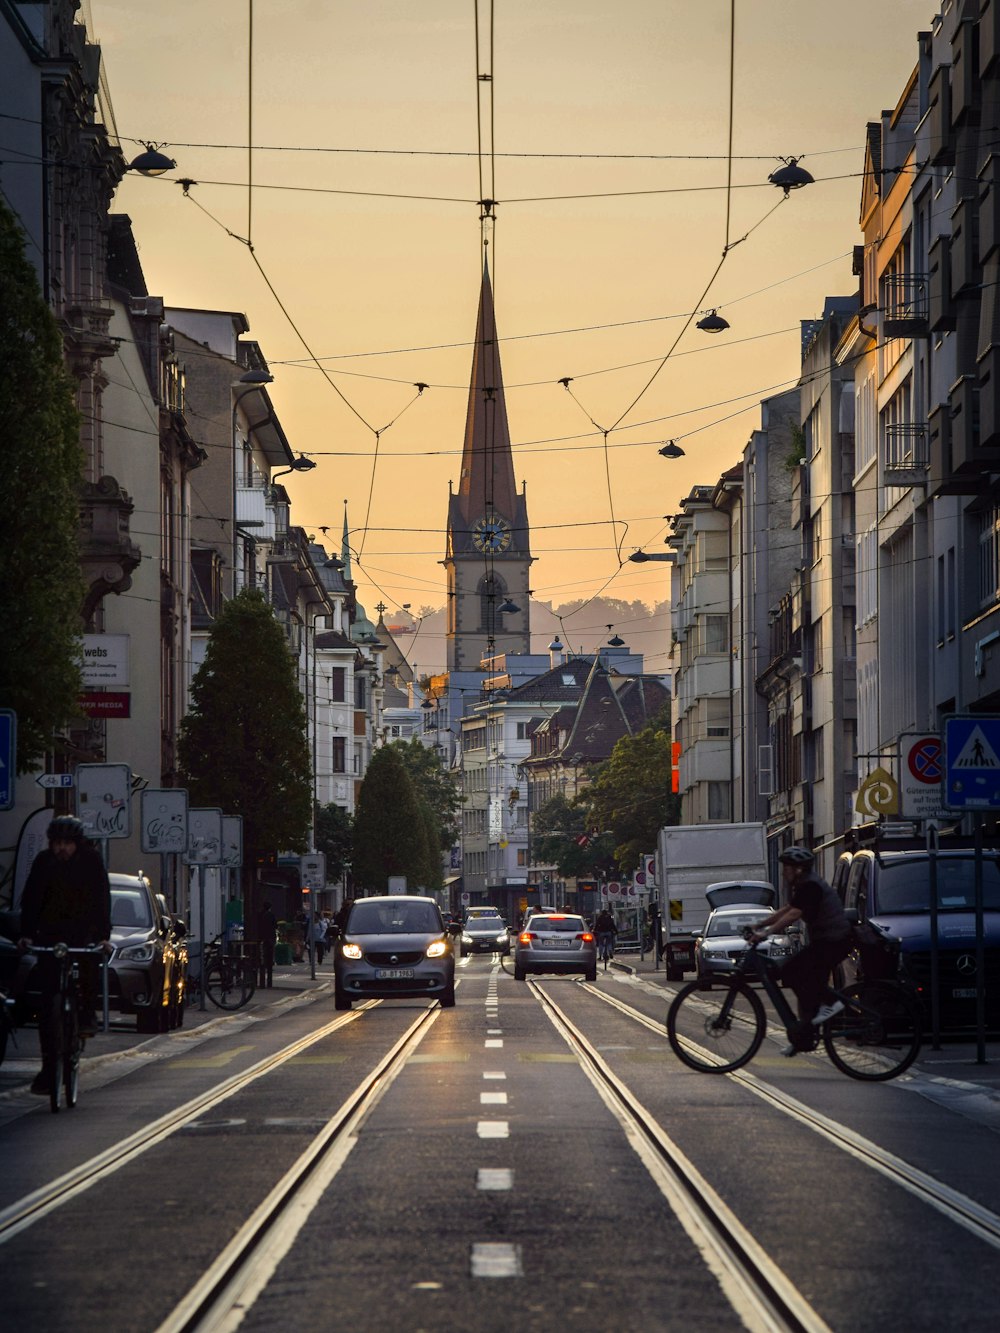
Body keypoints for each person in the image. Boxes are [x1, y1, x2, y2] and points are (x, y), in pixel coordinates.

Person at [18, 815, 112, 1095]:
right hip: (50, 935)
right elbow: (31, 898)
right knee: (47, 1008)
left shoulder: (91, 862)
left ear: (77, 844)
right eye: (57, 843)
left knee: (88, 966)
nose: (62, 848)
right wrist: (25, 933)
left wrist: (103, 936)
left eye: (67, 843)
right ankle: (49, 1071)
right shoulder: (44, 863)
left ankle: (86, 1013)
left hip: (82, 933)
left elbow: (101, 897)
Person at [747, 846, 852, 1057]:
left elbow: (793, 914)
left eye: (787, 868)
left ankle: (832, 1004)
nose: (784, 872)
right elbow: (787, 909)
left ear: (798, 869)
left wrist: (765, 933)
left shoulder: (811, 886)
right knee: (805, 984)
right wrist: (760, 924)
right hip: (826, 941)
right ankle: (803, 1035)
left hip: (834, 941)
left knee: (792, 971)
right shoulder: (804, 885)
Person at [256, 900, 278, 988]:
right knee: (269, 957)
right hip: (270, 938)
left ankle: (261, 976)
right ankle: (269, 981)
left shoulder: (259, 915)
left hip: (261, 938)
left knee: (262, 956)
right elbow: (275, 925)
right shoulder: (271, 915)